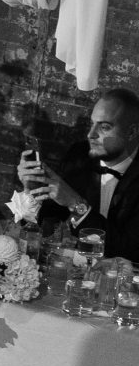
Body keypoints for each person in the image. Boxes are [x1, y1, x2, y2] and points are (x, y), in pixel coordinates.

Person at [16, 87, 139, 262]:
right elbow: (48, 222)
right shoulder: (79, 155)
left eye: (104, 127)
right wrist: (33, 189)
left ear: (132, 132)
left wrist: (76, 204)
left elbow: (128, 250)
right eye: (91, 124)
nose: (91, 134)